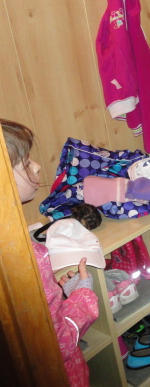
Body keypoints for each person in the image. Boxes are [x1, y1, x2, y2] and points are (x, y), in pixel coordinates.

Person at [2, 119, 99, 387]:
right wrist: (82, 296)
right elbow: (59, 342)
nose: (36, 166)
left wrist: (59, 295)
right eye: (25, 163)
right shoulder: (28, 258)